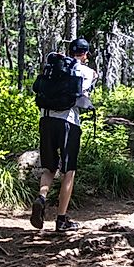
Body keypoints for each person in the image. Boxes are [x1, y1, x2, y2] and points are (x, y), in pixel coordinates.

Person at [30, 37, 98, 232]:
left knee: (49, 167)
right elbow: (83, 98)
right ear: (85, 54)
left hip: (46, 119)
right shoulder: (87, 71)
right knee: (69, 171)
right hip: (68, 122)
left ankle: (41, 197)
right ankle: (61, 219)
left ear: (70, 51)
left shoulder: (52, 68)